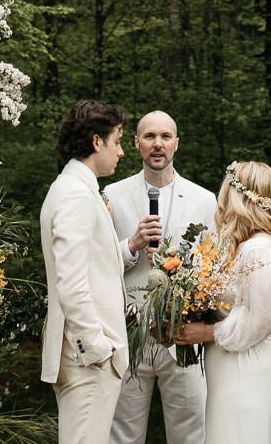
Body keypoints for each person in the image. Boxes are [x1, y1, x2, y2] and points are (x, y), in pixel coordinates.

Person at [41, 101, 162, 444]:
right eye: (118, 141)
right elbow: (72, 281)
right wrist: (96, 349)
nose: (122, 152)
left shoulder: (75, 190)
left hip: (86, 358)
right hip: (87, 360)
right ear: (97, 142)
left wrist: (130, 246)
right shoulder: (75, 196)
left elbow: (93, 263)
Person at [104, 111, 216, 444]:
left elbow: (214, 268)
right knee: (121, 434)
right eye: (150, 136)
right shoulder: (112, 195)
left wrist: (182, 267)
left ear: (176, 144)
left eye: (165, 137)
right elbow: (97, 264)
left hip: (183, 337)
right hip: (128, 334)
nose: (158, 144)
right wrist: (131, 246)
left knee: (191, 434)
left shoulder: (204, 200)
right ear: (136, 143)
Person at [175, 160, 271, 444]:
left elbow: (259, 321)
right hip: (231, 373)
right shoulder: (240, 249)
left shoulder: (260, 249)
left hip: (248, 373)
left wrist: (206, 333)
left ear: (236, 197)